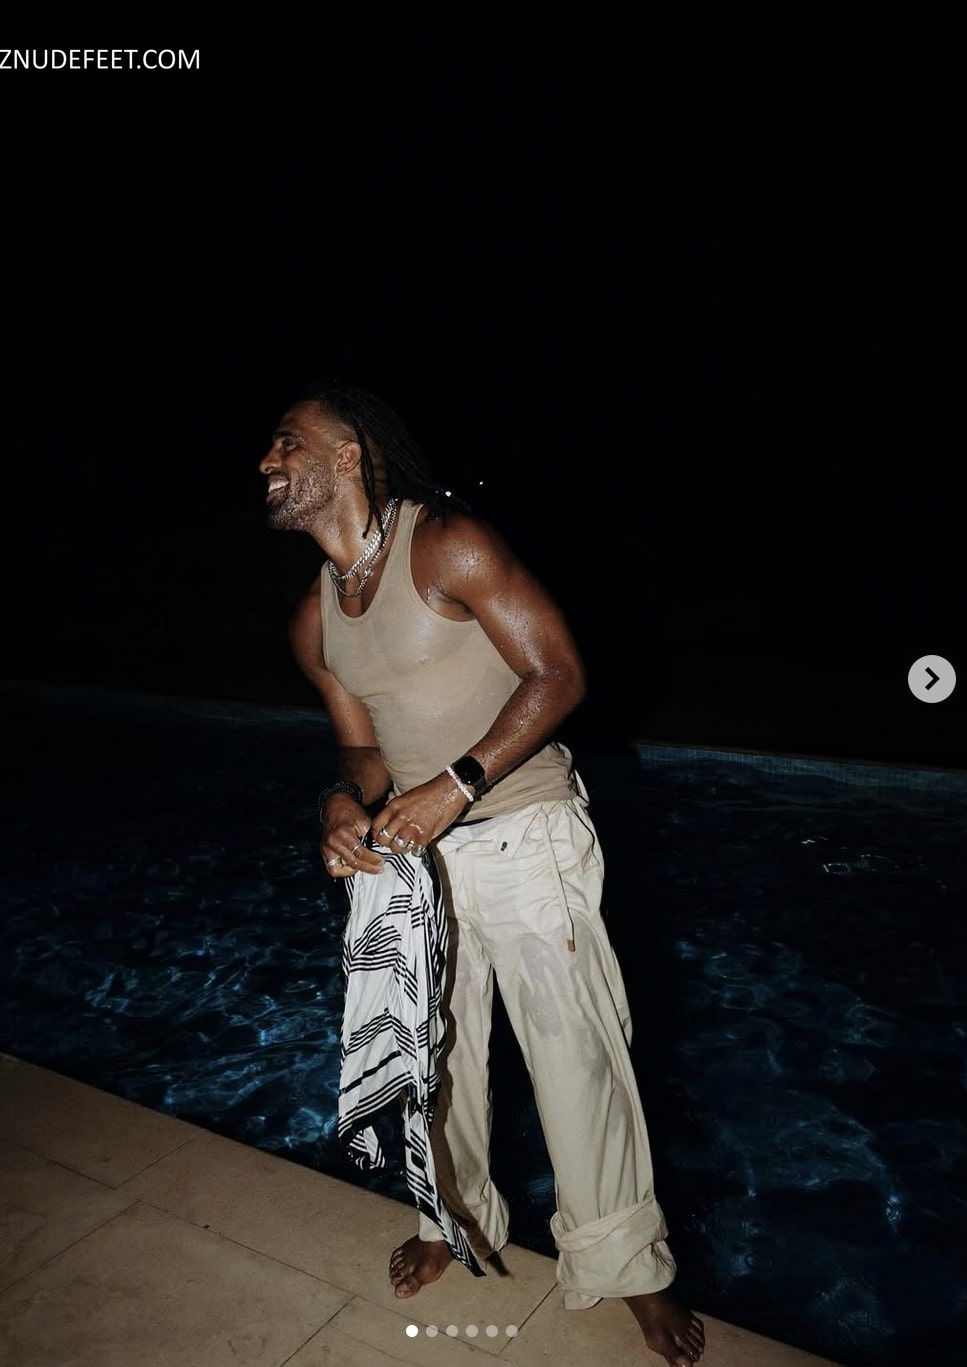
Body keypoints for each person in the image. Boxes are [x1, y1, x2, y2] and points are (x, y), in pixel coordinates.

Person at [260, 382, 706, 1367]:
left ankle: (632, 1267)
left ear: (347, 454)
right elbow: (362, 751)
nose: (266, 461)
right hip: (417, 863)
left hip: (526, 832)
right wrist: (340, 802)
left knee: (576, 1064)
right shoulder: (314, 619)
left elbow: (560, 672)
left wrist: (455, 784)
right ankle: (450, 1217)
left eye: (286, 442)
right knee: (431, 1059)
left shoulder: (447, 545)